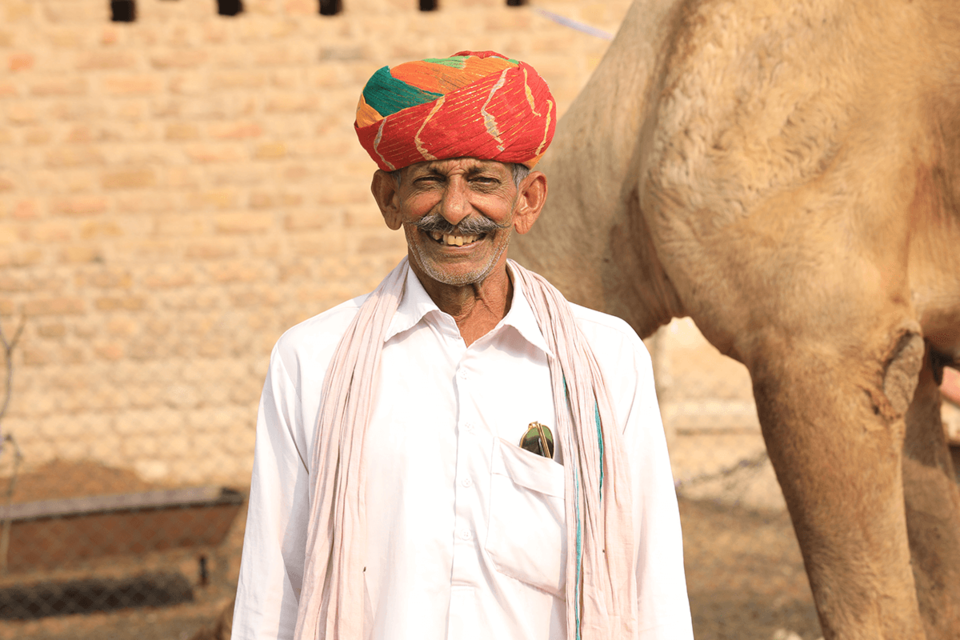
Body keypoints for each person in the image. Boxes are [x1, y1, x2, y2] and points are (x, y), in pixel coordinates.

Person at [232, 51, 693, 640]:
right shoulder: (310, 362)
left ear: (527, 202)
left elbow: (651, 582)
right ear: (388, 200)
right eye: (428, 181)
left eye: (482, 181)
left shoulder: (608, 360)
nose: (454, 209)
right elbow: (271, 593)